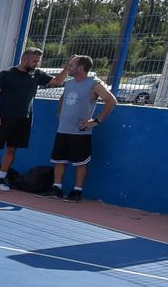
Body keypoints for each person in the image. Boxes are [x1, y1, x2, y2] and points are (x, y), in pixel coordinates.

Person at [0, 47, 69, 192]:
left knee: (12, 150)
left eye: (38, 61)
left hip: (23, 120)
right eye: (34, 61)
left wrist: (67, 66)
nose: (37, 64)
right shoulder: (6, 74)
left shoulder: (37, 74)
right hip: (3, 118)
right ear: (24, 59)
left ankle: (0, 180)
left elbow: (57, 81)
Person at [41, 55, 117, 202]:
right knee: (59, 160)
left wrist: (96, 121)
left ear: (81, 68)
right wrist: (60, 112)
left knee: (80, 162)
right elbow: (63, 98)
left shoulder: (94, 84)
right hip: (63, 129)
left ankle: (77, 191)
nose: (68, 68)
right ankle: (56, 188)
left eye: (71, 65)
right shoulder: (69, 83)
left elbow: (111, 101)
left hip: (80, 131)